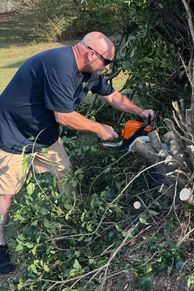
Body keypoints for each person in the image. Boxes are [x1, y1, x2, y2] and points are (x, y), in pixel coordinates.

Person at [0, 31, 154, 274]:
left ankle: (70, 226)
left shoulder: (89, 72)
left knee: (66, 178)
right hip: (13, 133)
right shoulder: (60, 65)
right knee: (7, 194)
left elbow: (112, 96)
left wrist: (140, 111)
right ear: (91, 53)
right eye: (106, 61)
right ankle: (0, 247)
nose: (107, 67)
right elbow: (63, 116)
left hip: (44, 134)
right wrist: (98, 128)